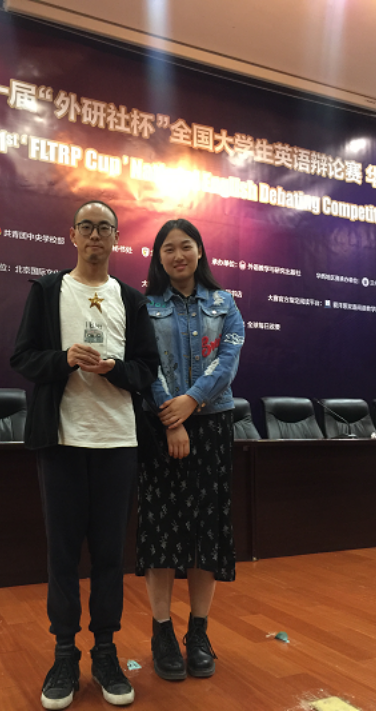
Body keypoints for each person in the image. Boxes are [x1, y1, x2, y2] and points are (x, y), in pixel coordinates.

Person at [11, 201, 159, 710]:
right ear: (72, 235)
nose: (96, 236)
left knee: (111, 556)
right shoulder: (47, 290)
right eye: (87, 227)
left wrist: (115, 369)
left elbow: (147, 370)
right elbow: (23, 357)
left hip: (118, 443)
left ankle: (106, 653)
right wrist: (63, 359)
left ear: (117, 238)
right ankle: (64, 655)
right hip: (62, 443)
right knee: (62, 555)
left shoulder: (132, 301)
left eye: (105, 228)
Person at [137, 218, 245, 682]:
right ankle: (162, 631)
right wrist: (173, 416)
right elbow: (146, 364)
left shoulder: (225, 304)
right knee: (161, 527)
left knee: (206, 528)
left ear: (200, 251)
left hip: (213, 422)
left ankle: (198, 632)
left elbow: (228, 361)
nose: (178, 255)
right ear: (158, 257)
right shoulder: (145, 307)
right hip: (161, 424)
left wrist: (192, 401)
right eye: (168, 249)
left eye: (186, 246)